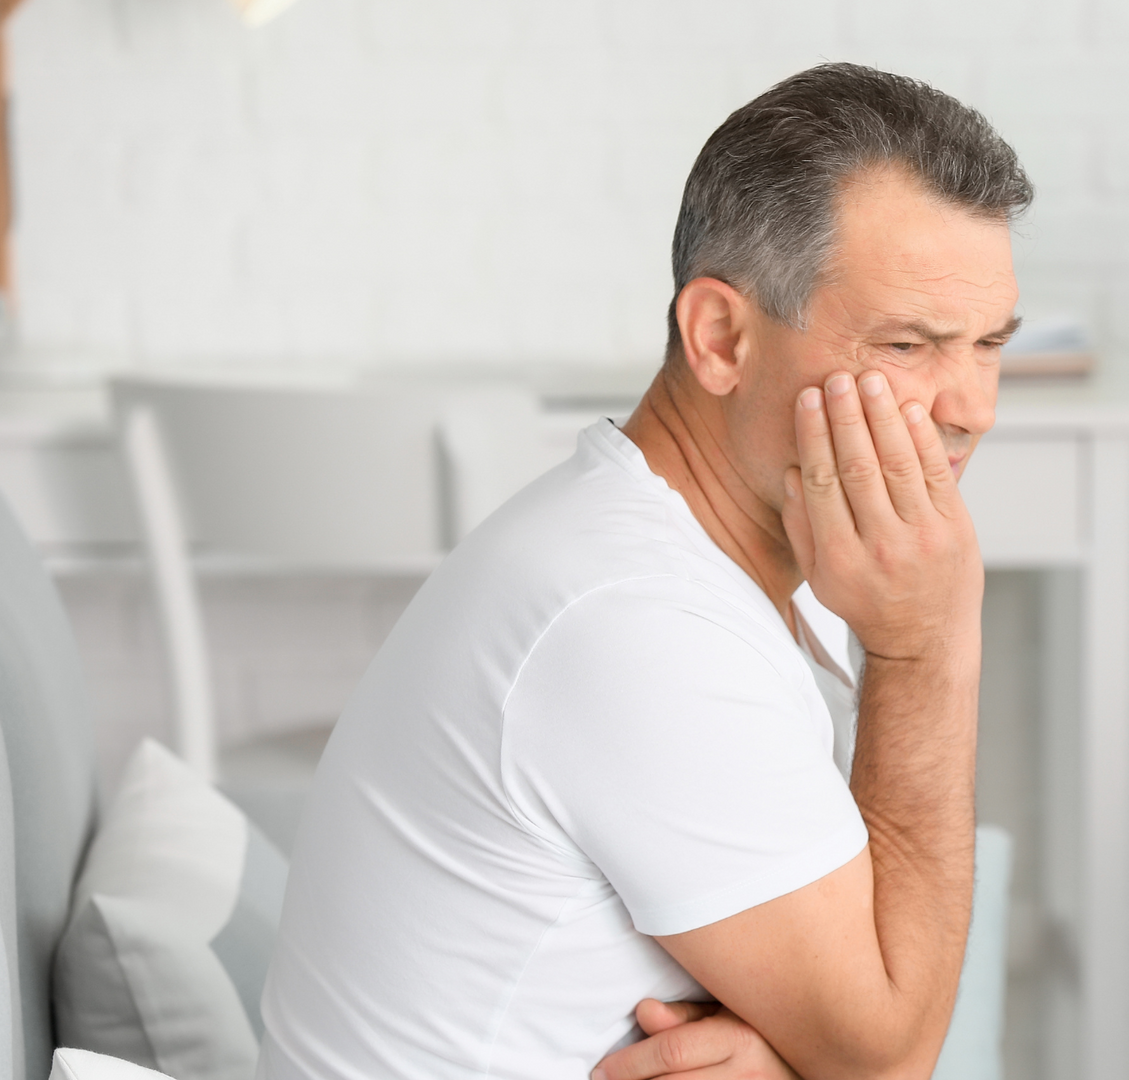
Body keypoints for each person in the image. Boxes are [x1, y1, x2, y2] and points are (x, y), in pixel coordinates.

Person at [257, 62, 1032, 1080]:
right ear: (721, 338)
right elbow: (888, 1059)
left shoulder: (710, 548)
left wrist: (796, 1061)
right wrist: (928, 645)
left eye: (987, 345)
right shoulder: (635, 618)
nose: (970, 404)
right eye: (909, 343)